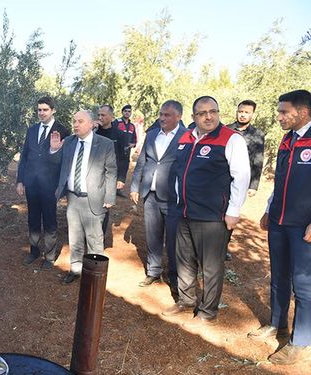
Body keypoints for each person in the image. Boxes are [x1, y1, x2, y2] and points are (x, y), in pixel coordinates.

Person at [162, 96, 250, 329]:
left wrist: (233, 211)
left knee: (211, 266)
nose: (208, 116)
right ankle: (186, 300)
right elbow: (178, 171)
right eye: (202, 113)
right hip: (183, 211)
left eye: (213, 111)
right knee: (184, 261)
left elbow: (241, 176)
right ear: (194, 117)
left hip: (212, 216)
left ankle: (208, 311)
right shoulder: (185, 137)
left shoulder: (231, 139)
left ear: (219, 113)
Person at [248, 90, 311, 365]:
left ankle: (300, 341)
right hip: (278, 222)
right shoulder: (288, 140)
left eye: (284, 112)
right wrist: (267, 209)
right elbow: (280, 180)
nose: (279, 116)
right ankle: (277, 325)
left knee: (304, 286)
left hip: (303, 228)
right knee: (279, 278)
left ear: (303, 112)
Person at [50, 110, 117, 284]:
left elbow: (111, 171)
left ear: (91, 124)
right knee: (75, 237)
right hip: (73, 199)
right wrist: (54, 149)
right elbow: (57, 164)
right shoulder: (70, 142)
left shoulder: (105, 144)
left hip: (93, 199)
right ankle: (76, 268)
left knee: (94, 239)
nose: (75, 125)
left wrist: (109, 197)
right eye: (74, 121)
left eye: (80, 121)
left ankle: (95, 274)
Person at [130, 100, 186, 294]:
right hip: (150, 195)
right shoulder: (152, 134)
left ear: (178, 116)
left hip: (173, 198)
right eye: (161, 114)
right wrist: (135, 185)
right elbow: (142, 162)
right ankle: (153, 271)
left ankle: (174, 277)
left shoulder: (186, 137)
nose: (162, 118)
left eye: (167, 115)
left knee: (173, 240)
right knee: (152, 236)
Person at [16, 96, 71, 269]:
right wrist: (20, 180)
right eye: (39, 109)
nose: (41, 113)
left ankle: (49, 256)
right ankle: (33, 251)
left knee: (49, 219)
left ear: (53, 110)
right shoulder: (32, 130)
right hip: (31, 182)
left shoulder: (63, 130)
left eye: (45, 109)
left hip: (50, 184)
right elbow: (24, 155)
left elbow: (64, 161)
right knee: (33, 217)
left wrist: (61, 186)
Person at [223, 100, 265, 261]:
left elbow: (258, 160)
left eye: (246, 112)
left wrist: (254, 185)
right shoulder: (226, 130)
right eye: (240, 111)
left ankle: (223, 246)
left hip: (241, 180)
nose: (243, 114)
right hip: (223, 178)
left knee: (232, 211)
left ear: (252, 114)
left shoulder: (257, 135)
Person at [95, 105, 128, 241]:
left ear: (111, 117)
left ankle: (100, 238)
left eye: (103, 115)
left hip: (109, 176)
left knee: (104, 208)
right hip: (93, 175)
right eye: (99, 115)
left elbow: (123, 158)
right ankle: (88, 236)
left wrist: (121, 178)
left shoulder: (119, 134)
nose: (100, 118)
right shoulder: (93, 133)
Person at [115, 104, 138, 192]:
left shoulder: (132, 126)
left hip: (127, 152)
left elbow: (134, 138)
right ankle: (111, 189)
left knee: (123, 169)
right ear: (122, 112)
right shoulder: (117, 122)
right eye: (125, 111)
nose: (127, 113)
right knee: (115, 169)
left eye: (129, 111)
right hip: (116, 151)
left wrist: (133, 144)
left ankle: (119, 190)